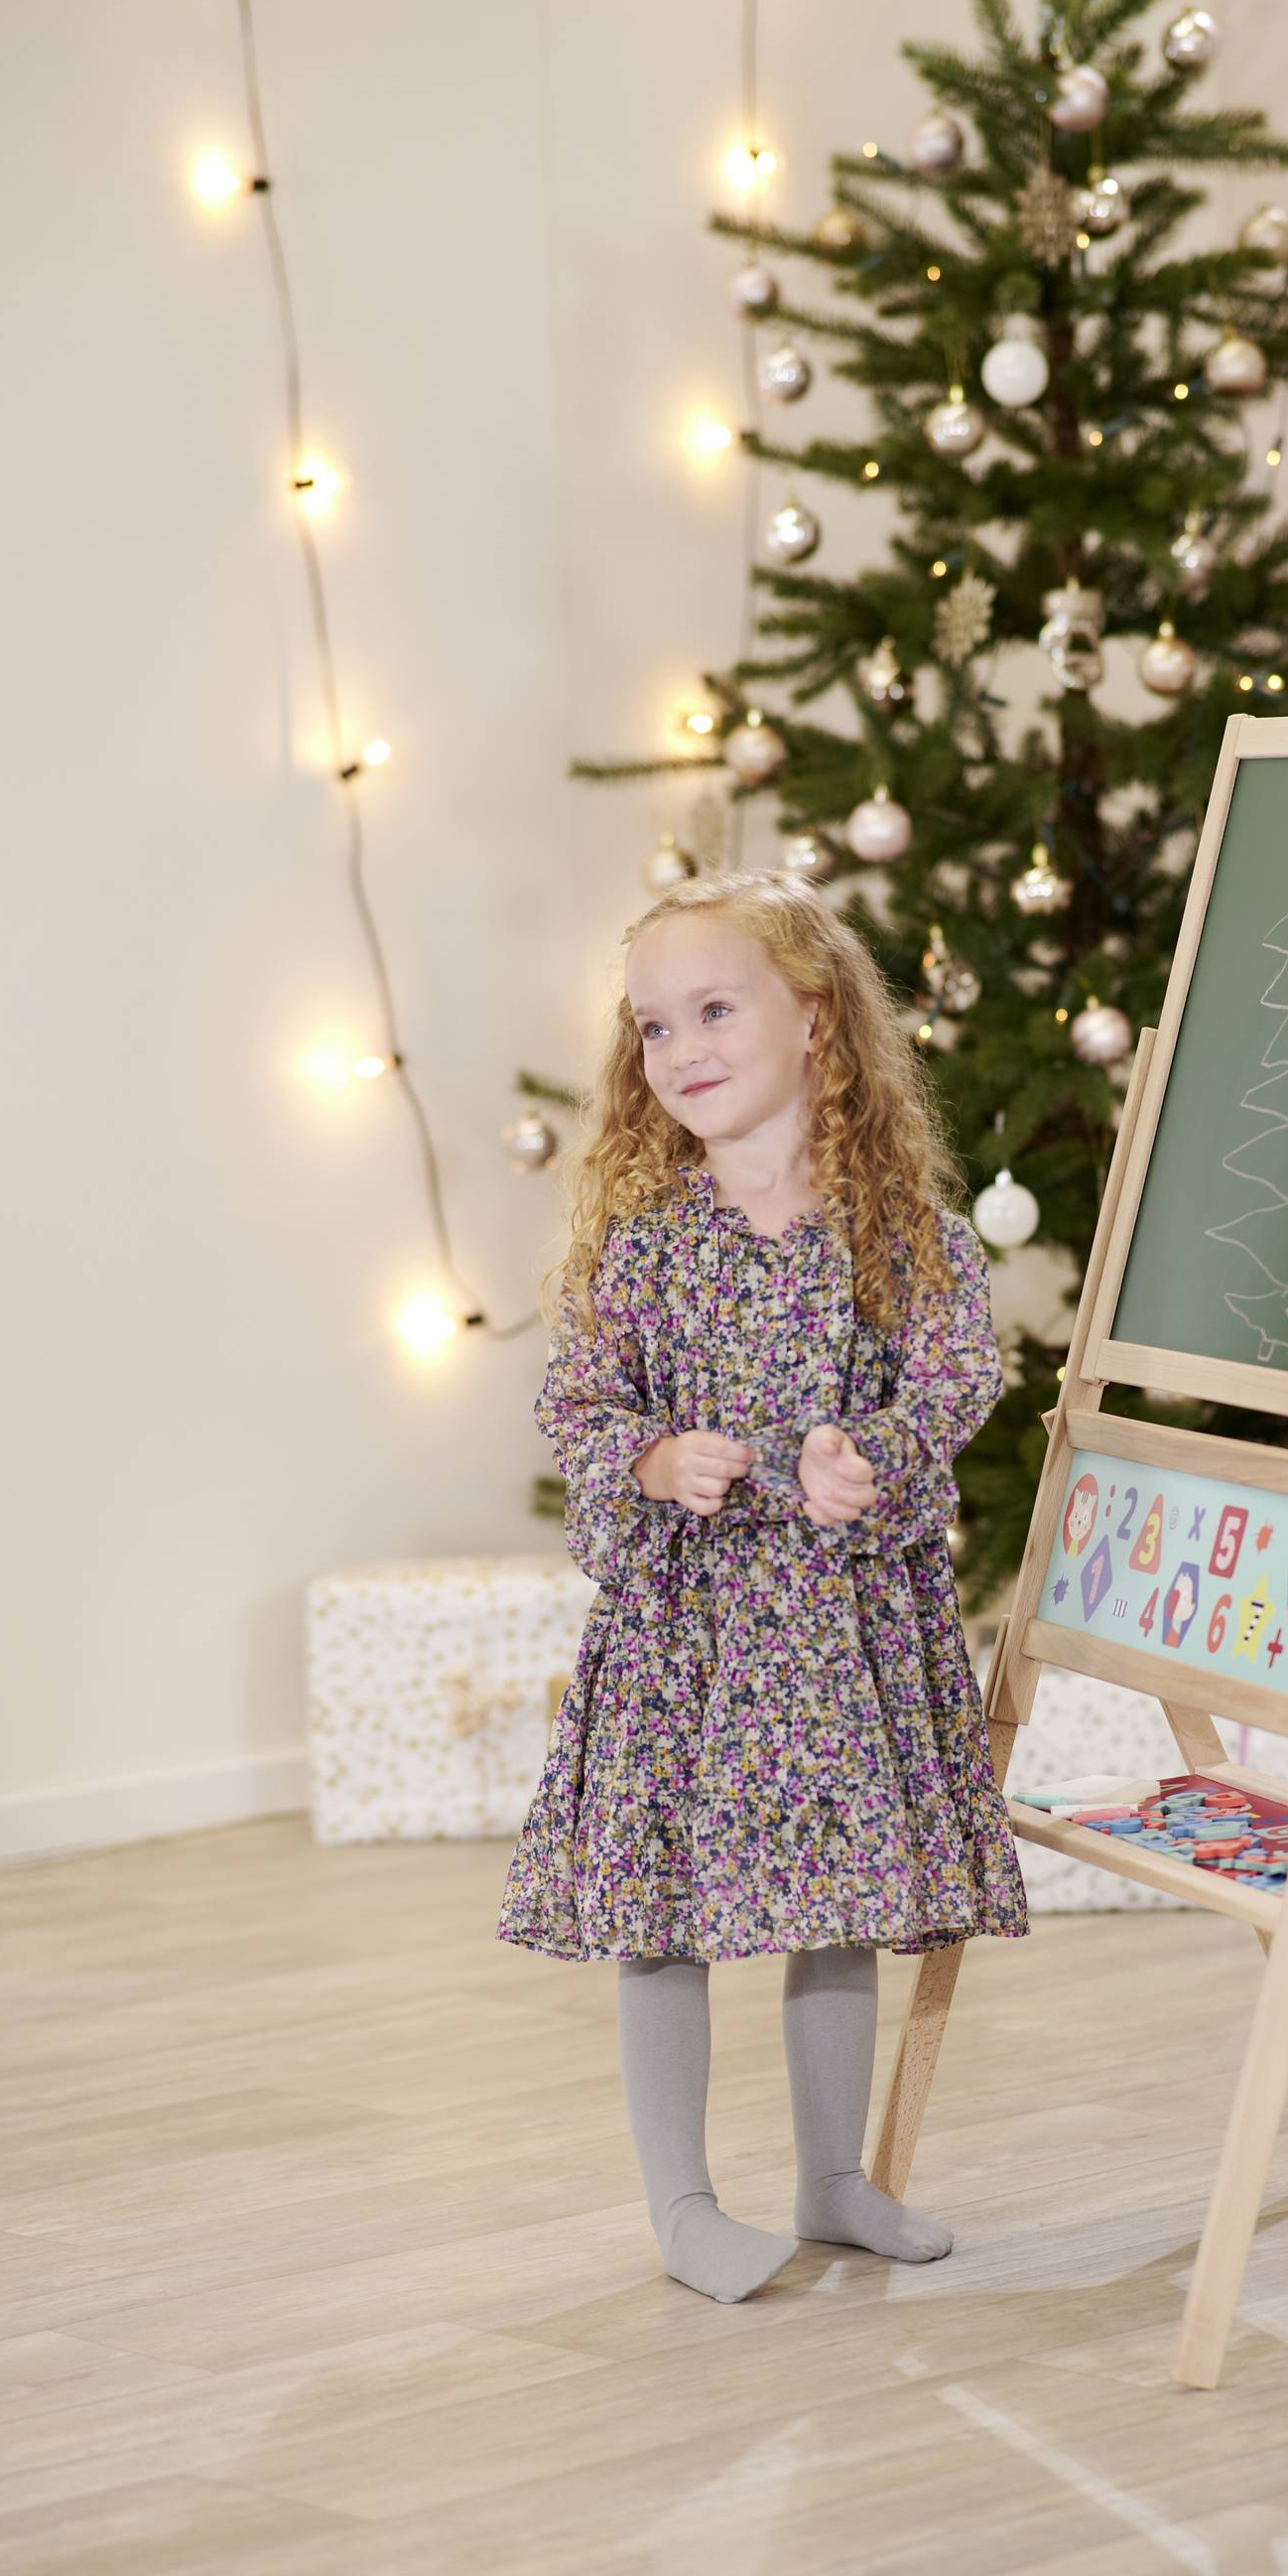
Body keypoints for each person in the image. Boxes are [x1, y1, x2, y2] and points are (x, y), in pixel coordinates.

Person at [498, 872, 1030, 2303]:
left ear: (813, 1016)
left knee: (838, 1896)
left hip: (838, 1633)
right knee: (667, 1911)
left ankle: (835, 2179)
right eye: (653, 1027)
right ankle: (681, 2202)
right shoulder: (648, 1234)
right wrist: (656, 1455)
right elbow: (578, 1402)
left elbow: (960, 1367)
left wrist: (879, 1457)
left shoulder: (895, 1221)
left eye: (712, 1010)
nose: (680, 1050)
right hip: (691, 1635)